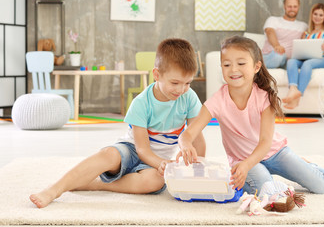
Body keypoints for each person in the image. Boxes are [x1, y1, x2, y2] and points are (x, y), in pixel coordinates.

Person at [29, 38, 206, 208]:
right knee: (108, 154)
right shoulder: (142, 102)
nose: (181, 89)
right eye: (175, 82)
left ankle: (98, 184)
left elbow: (196, 136)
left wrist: (199, 167)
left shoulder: (188, 98)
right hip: (132, 149)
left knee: (156, 181)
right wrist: (160, 162)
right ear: (156, 75)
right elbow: (142, 149)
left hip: (155, 162)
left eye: (187, 83)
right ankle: (54, 190)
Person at [177, 35, 324, 195]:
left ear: (256, 67)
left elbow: (265, 143)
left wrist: (246, 165)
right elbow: (187, 134)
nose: (234, 69)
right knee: (267, 191)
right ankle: (265, 177)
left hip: (274, 153)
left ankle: (306, 165)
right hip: (243, 160)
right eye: (227, 64)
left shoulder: (265, 97)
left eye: (241, 63)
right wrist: (186, 145)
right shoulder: (217, 101)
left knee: (322, 186)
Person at [262, 0, 324, 69]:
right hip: (272, 56)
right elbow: (270, 32)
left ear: (298, 7)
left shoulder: (303, 26)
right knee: (279, 56)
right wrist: (276, 45)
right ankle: (259, 66)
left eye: (295, 6)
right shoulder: (273, 20)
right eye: (289, 6)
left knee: (291, 63)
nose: (292, 9)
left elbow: (318, 31)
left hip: (288, 61)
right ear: (284, 6)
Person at [282, 3, 324, 109]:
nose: (317, 17)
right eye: (315, 14)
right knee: (291, 61)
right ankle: (293, 88)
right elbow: (302, 48)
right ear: (311, 16)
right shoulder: (306, 33)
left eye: (321, 15)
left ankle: (297, 97)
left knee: (307, 64)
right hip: (307, 57)